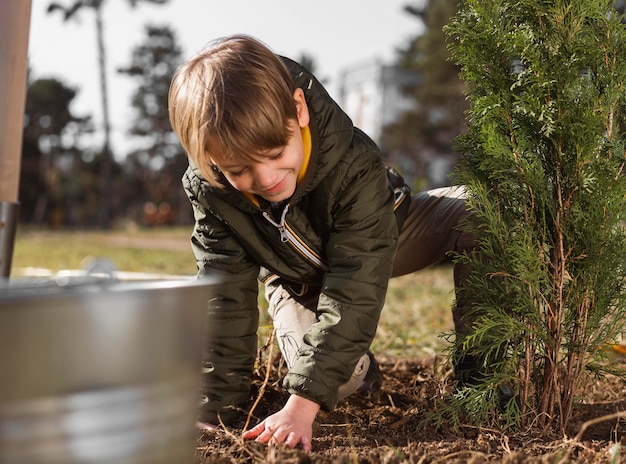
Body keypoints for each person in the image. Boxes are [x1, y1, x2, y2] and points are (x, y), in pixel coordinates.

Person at [168, 34, 475, 451]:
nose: (265, 178)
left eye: (275, 151)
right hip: (295, 276)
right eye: (239, 169)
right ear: (211, 159)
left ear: (298, 110)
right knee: (335, 379)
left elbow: (357, 282)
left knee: (484, 212)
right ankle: (361, 373)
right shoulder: (213, 190)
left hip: (388, 235)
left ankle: (485, 384)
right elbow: (224, 295)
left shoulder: (351, 161)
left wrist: (303, 404)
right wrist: (216, 408)